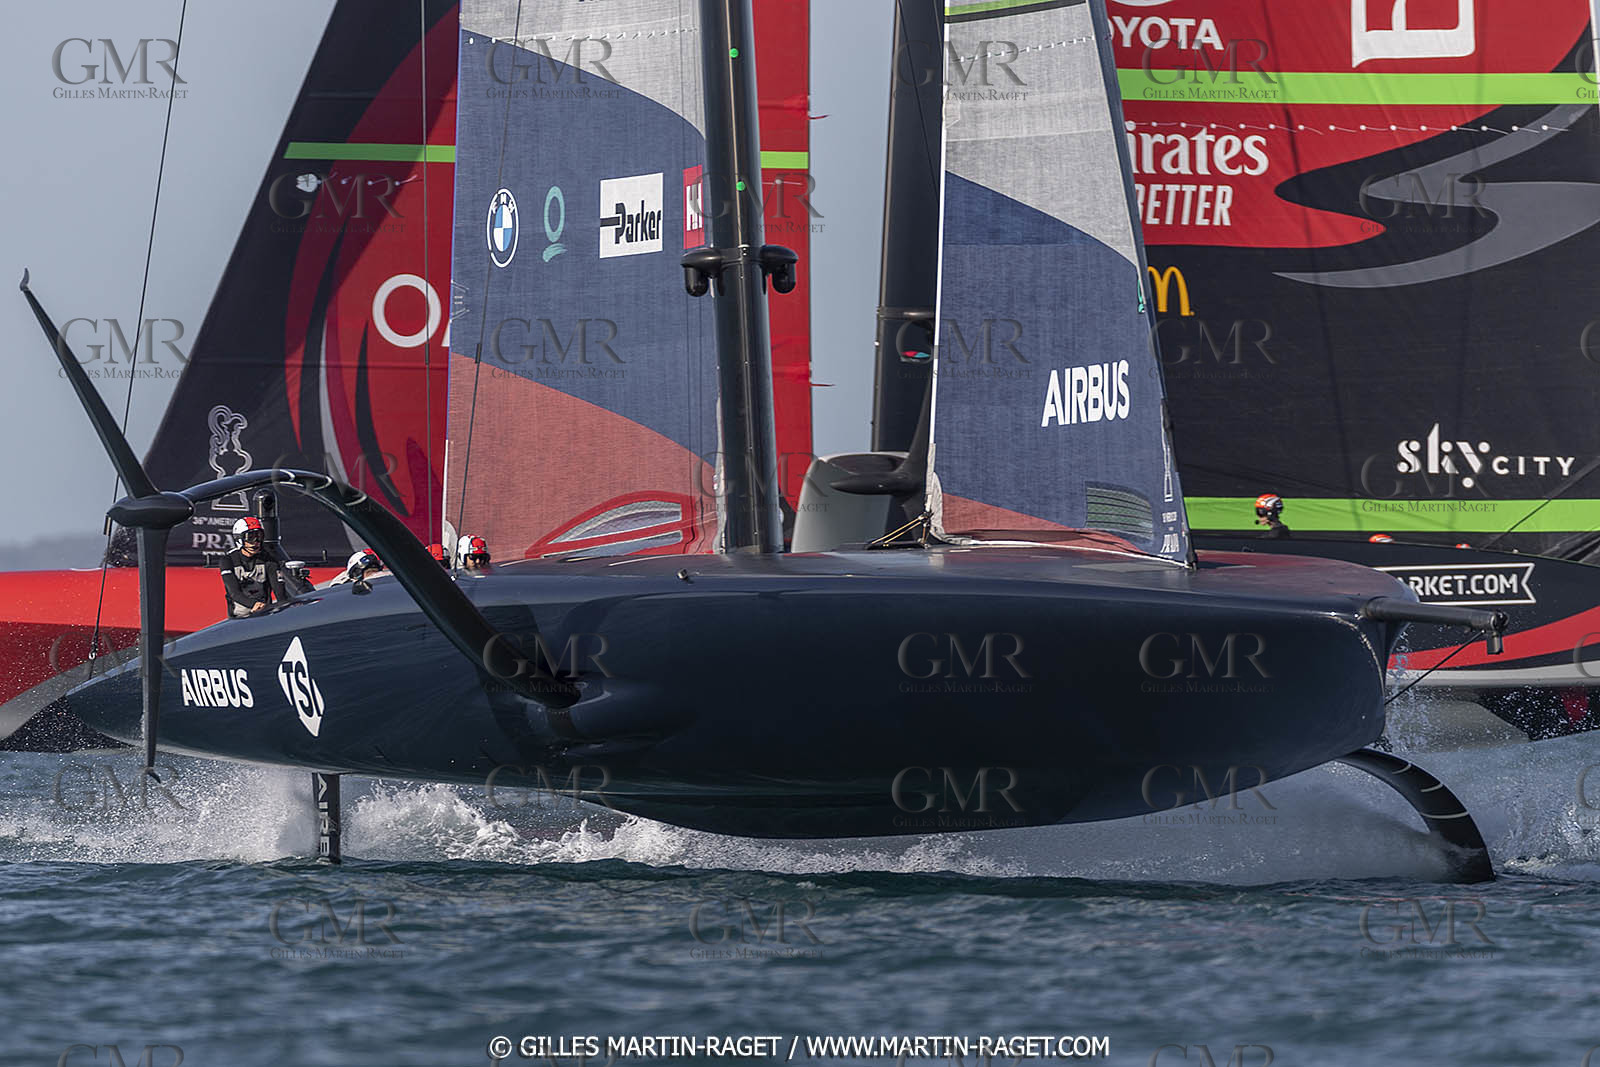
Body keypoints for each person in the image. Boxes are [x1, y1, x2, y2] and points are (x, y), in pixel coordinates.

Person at [219, 516, 292, 617]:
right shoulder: (228, 560)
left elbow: (280, 593)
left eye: (259, 536)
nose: (256, 542)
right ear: (239, 538)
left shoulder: (269, 560)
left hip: (264, 615)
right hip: (237, 617)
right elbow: (234, 593)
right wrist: (254, 605)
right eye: (250, 537)